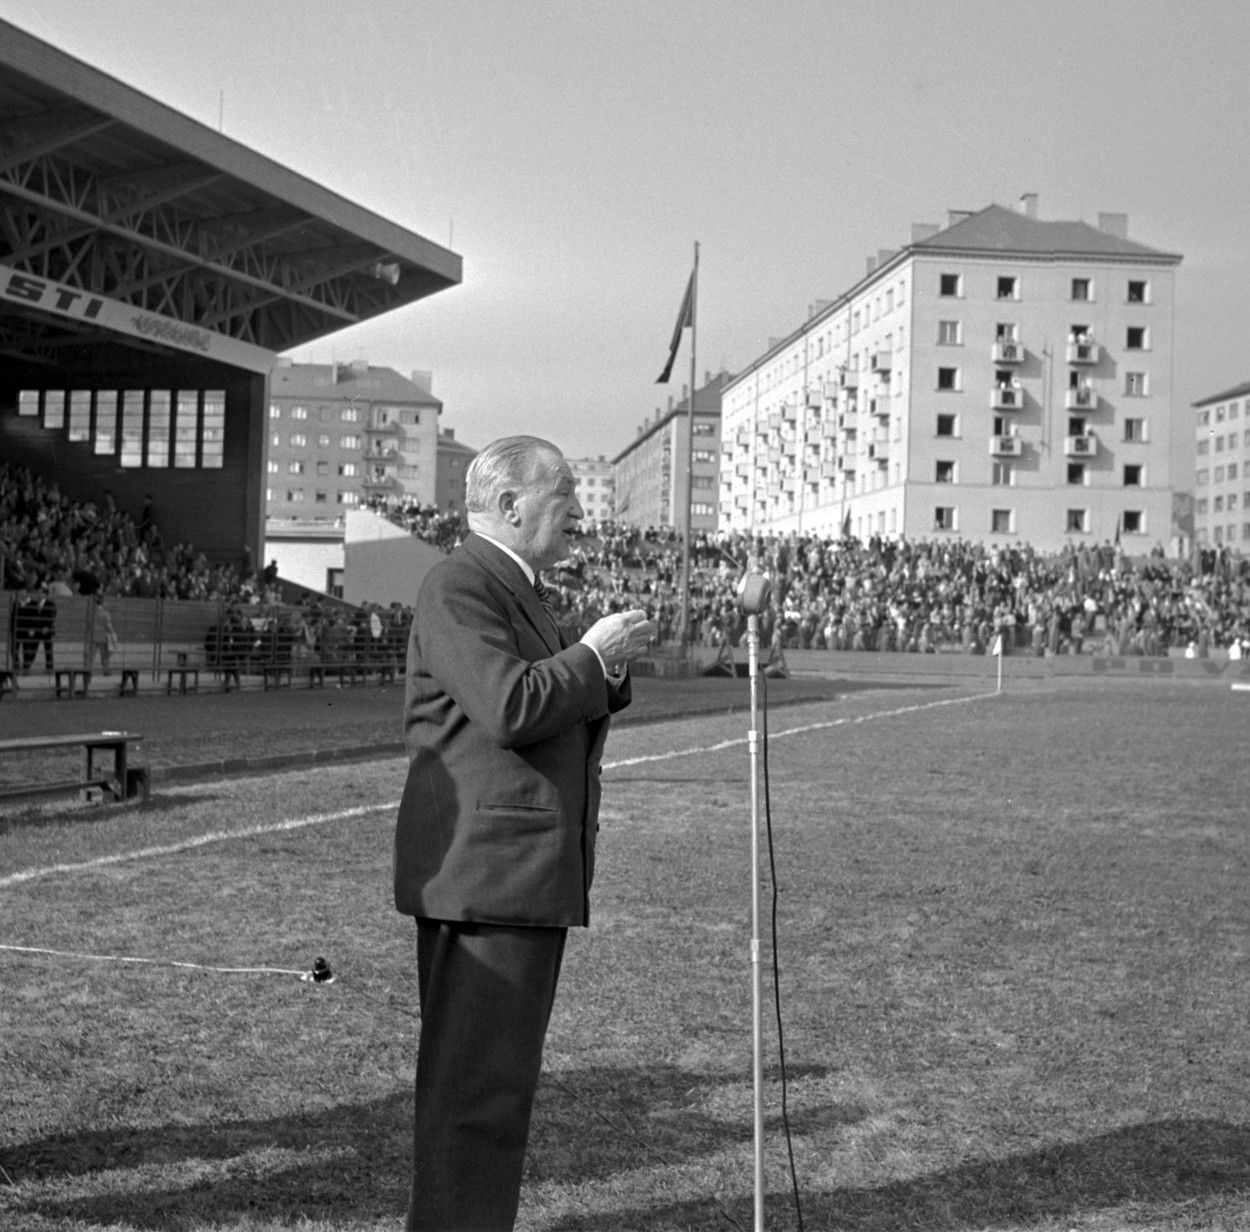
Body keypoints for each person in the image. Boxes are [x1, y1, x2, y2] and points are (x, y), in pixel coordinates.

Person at [393, 435, 655, 1232]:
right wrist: (591, 656)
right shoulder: (460, 584)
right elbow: (509, 704)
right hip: (487, 882)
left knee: (492, 1095)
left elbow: (539, 700)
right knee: (475, 1099)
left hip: (517, 880)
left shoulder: (517, 589)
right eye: (565, 491)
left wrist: (599, 673)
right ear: (509, 505)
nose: (579, 509)